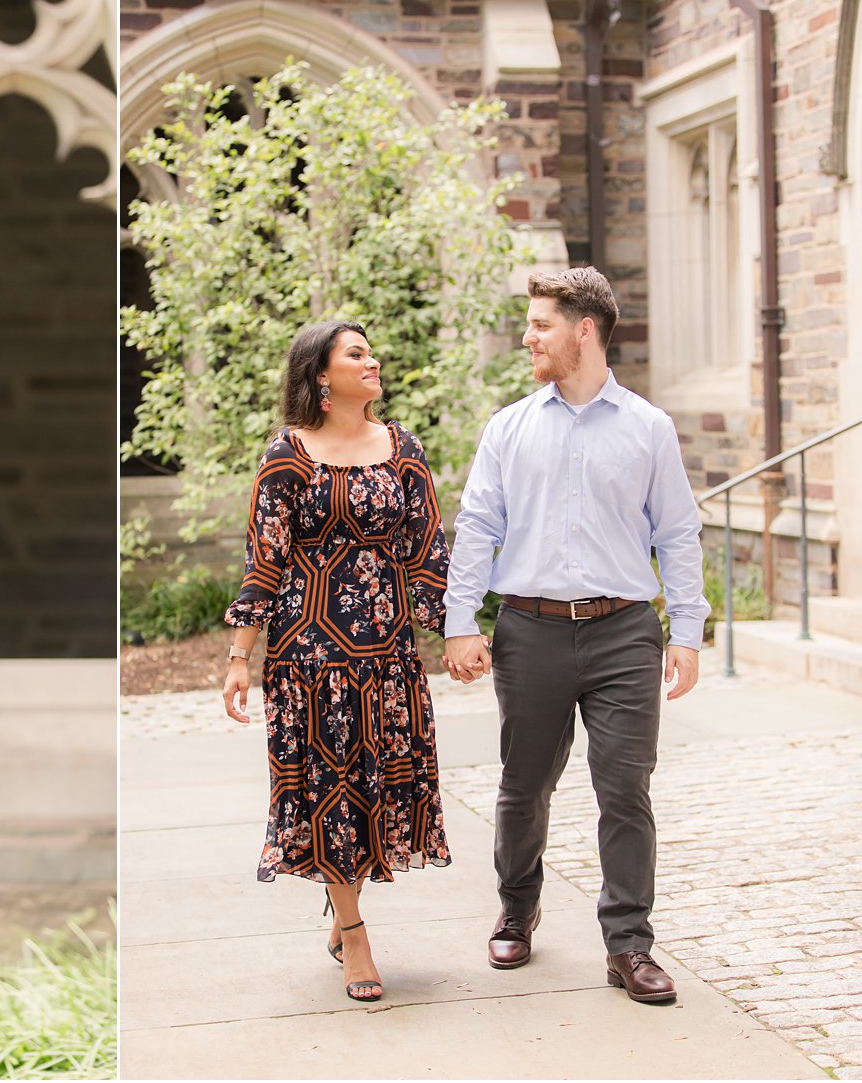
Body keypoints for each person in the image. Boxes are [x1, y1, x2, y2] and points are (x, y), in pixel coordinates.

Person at [442, 266, 708, 1005]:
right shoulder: (509, 427)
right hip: (530, 629)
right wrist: (462, 621)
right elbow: (479, 529)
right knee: (524, 785)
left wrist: (686, 629)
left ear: (582, 330)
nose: (528, 336)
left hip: (626, 631)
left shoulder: (649, 428)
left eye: (540, 324)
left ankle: (629, 943)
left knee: (625, 787)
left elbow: (678, 534)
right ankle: (518, 905)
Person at [221, 321, 453, 1003]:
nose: (372, 359)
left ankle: (342, 905)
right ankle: (353, 931)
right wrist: (241, 655)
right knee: (330, 791)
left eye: (370, 349)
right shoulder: (287, 456)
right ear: (321, 376)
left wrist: (457, 634)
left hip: (386, 658)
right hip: (309, 657)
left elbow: (426, 552)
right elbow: (264, 559)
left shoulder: (402, 447)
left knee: (376, 789)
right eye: (356, 353)